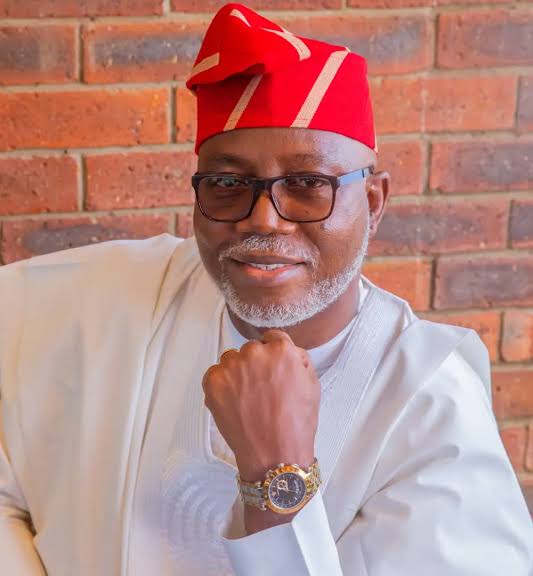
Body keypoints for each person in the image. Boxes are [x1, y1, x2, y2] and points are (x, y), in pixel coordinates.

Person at [0, 3, 532, 575]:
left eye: (307, 183)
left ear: (373, 203)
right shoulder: (103, 302)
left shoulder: (428, 403)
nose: (264, 219)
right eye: (228, 182)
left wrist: (277, 473)